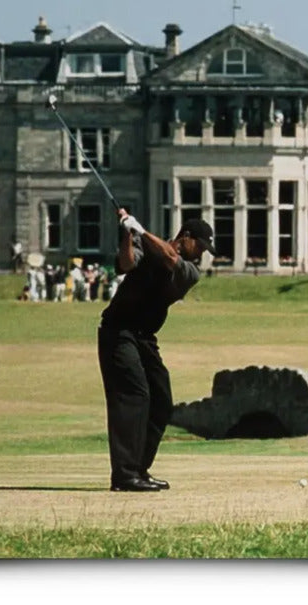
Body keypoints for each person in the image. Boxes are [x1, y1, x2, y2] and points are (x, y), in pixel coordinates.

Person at [98, 208, 215, 492]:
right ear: (185, 236)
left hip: (145, 338)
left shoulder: (190, 272)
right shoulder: (145, 245)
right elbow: (126, 264)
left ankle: (139, 468)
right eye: (199, 246)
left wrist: (138, 228)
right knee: (134, 395)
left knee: (161, 401)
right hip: (118, 331)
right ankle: (125, 475)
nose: (201, 253)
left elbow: (169, 258)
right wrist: (128, 233)